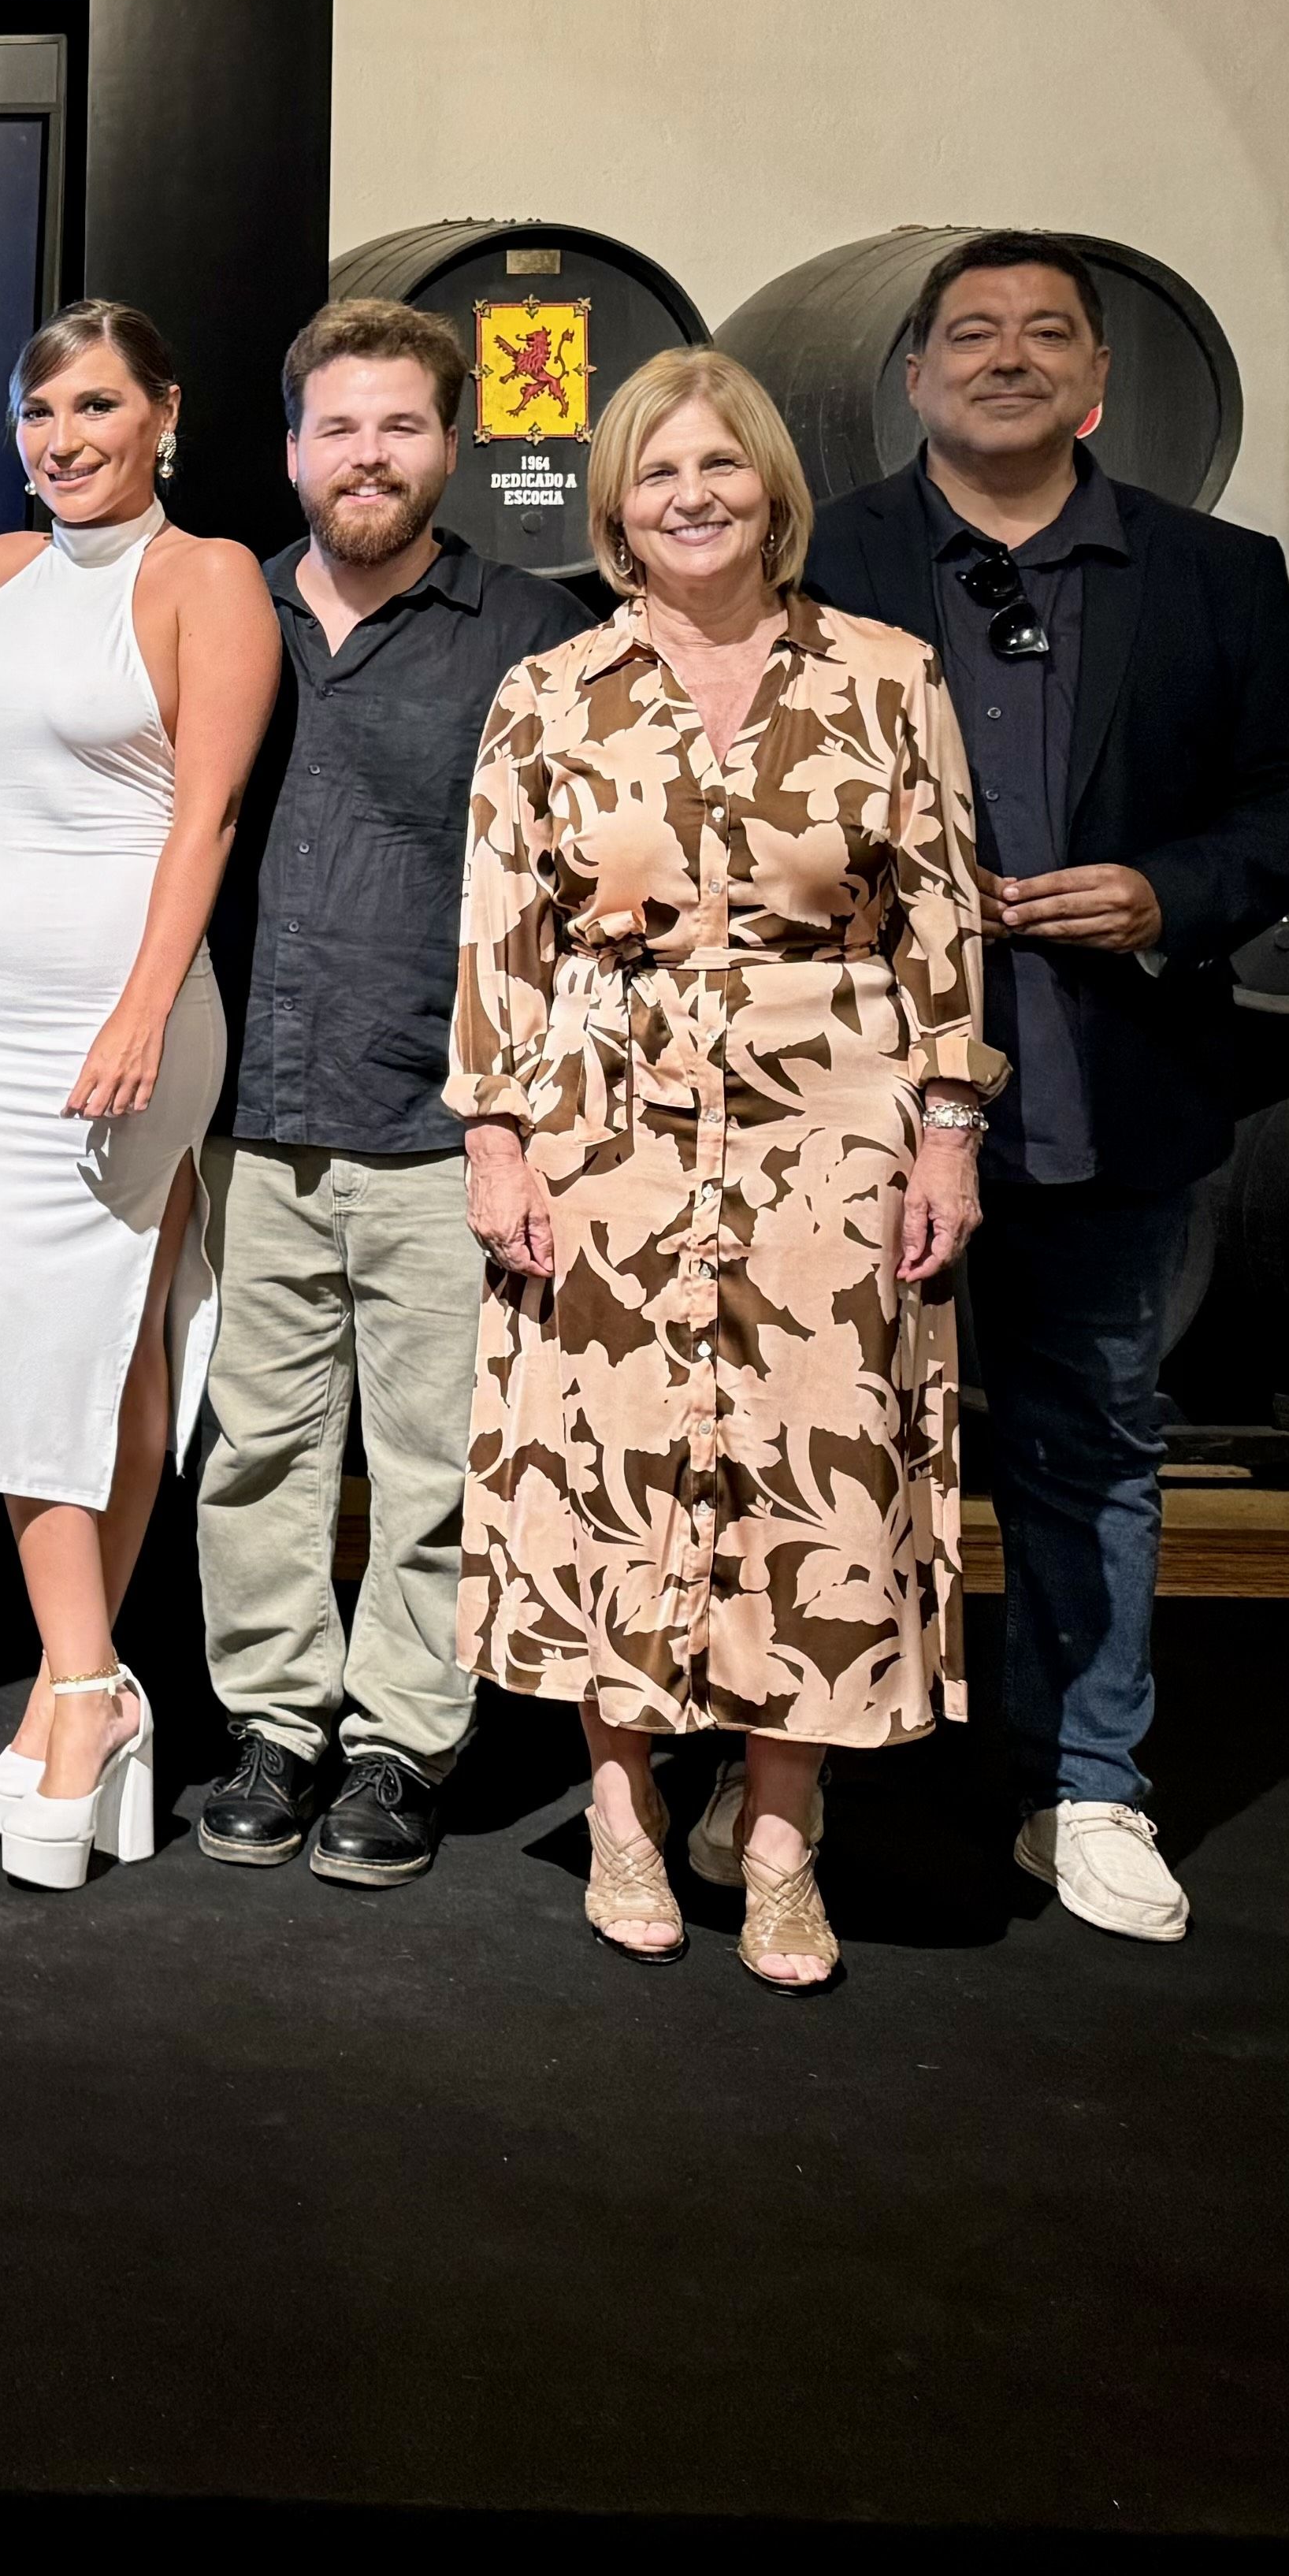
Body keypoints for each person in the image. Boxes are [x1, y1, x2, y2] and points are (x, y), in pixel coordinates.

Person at [804, 234, 1289, 1946]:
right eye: (971, 332)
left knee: (1092, 1445)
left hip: (1104, 1087)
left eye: (1047, 333)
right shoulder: (825, 553)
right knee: (817, 1441)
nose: (1008, 356)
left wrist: (1171, 894)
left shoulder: (1212, 574)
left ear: (1099, 380)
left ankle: (1089, 1784)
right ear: (912, 373)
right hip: (851, 1106)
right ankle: (790, 1779)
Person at [452, 348, 1000, 1994]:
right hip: (603, 1134)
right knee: (613, 1459)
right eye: (657, 472)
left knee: (805, 1470)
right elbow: (500, 934)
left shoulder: (890, 677)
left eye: (722, 467)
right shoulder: (553, 693)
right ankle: (619, 1808)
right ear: (614, 508)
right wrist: (495, 1132)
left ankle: (776, 1835)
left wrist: (951, 1132)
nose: (692, 495)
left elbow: (944, 926)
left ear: (774, 486)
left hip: (832, 1139)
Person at [188, 301, 580, 1890]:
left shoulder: (538, 631)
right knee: (261, 1454)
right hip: (249, 1117)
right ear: (291, 450)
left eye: (400, 426)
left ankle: (400, 1746)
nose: (367, 456)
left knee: (430, 1463)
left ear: (452, 445)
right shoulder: (221, 611)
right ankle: (276, 1728)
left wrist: (527, 1121)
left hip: (442, 1118)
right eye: (337, 428)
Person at [0, 301, 280, 1890]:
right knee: (68, 1355)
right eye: (41, 411)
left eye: (98, 406)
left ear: (165, 415)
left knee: (83, 1345)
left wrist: (139, 1008)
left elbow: (206, 822)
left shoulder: (209, 577)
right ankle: (93, 1678)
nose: (66, 439)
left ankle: (75, 1689)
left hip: (113, 1025)